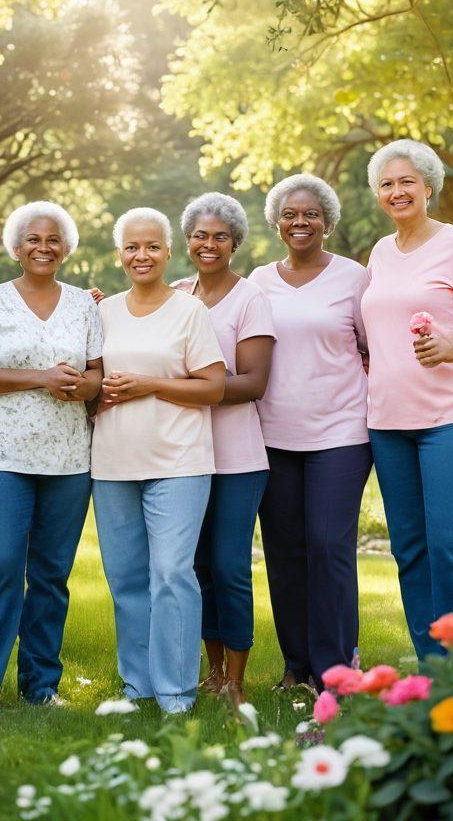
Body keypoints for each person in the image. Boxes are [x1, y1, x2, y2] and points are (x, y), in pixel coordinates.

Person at [361, 140, 453, 660]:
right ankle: (433, 667)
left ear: (428, 187)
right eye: (386, 184)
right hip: (388, 421)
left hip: (451, 418)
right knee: (410, 548)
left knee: (449, 544)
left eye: (407, 182)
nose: (397, 192)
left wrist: (452, 346)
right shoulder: (380, 253)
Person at [0, 201, 103, 712]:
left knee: (51, 574)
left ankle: (40, 687)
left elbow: (98, 376)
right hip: (0, 453)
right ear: (16, 248)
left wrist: (81, 386)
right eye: (33, 240)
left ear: (67, 248)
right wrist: (41, 378)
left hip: (69, 458)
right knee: (1, 565)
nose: (44, 247)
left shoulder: (83, 305)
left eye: (53, 239)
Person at [92, 207, 225, 715]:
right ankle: (138, 686)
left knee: (171, 573)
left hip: (178, 461)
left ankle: (176, 692)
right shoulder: (103, 312)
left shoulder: (190, 311)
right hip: (112, 462)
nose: (141, 255)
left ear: (168, 252)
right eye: (132, 247)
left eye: (151, 246)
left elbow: (213, 387)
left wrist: (148, 384)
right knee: (126, 579)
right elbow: (89, 380)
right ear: (119, 254)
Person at [250, 174, 372, 691]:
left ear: (327, 221)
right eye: (290, 214)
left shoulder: (354, 278)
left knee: (327, 546)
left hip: (341, 433)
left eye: (311, 214)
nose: (300, 222)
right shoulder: (258, 281)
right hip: (271, 434)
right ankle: (296, 666)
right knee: (284, 552)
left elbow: (372, 346)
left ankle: (336, 669)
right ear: (276, 223)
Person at [175, 193, 274, 706]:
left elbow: (253, 382)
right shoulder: (173, 294)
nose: (208, 244)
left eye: (220, 237)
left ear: (235, 243)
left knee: (230, 566)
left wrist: (181, 386)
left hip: (237, 458)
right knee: (197, 567)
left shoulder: (250, 298)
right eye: (200, 235)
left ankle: (236, 679)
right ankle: (211, 672)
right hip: (183, 454)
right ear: (187, 240)